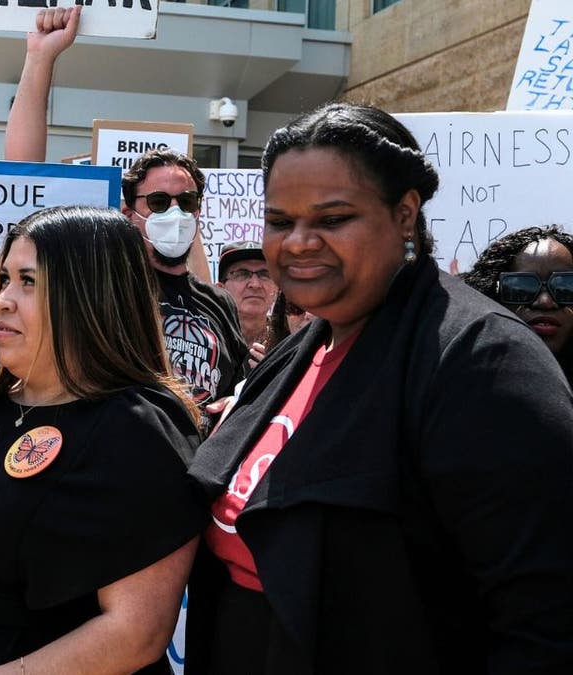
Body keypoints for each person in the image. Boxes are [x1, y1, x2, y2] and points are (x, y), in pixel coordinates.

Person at [187, 102, 573, 674]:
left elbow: (546, 619)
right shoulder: (307, 342)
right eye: (280, 220)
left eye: (332, 219)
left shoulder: (483, 361)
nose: (297, 242)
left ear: (404, 217)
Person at [0, 206, 203, 675]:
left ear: (91, 296)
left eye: (28, 282)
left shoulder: (141, 426)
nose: (0, 302)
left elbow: (137, 632)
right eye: (5, 280)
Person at [4, 7, 247, 416]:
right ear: (128, 212)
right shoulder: (107, 283)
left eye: (186, 202)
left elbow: (232, 384)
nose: (175, 212)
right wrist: (40, 58)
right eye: (157, 202)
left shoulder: (217, 303)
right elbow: (23, 177)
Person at [463, 225, 573, 383]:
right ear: (493, 294)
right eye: (522, 287)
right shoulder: (462, 386)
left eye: (565, 287)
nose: (545, 302)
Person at [215, 241, 276, 347]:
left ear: (278, 288)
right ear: (220, 290)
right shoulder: (205, 341)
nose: (255, 284)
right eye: (242, 274)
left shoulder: (291, 342)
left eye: (264, 274)